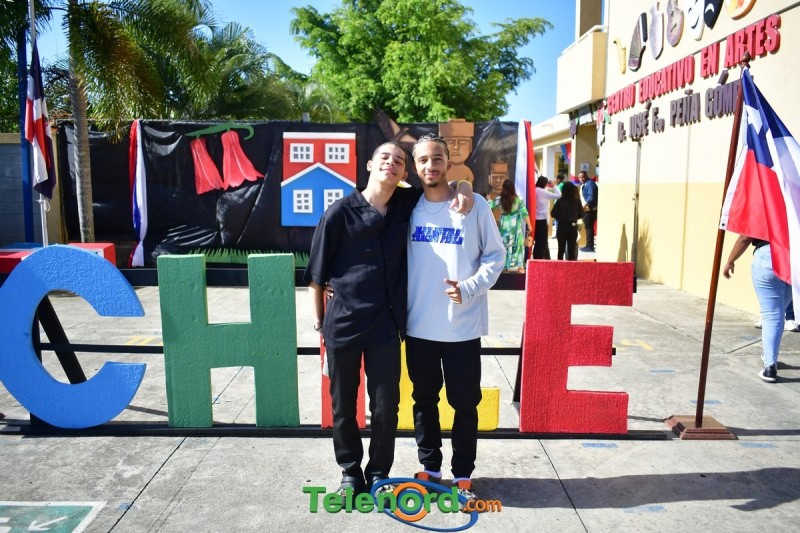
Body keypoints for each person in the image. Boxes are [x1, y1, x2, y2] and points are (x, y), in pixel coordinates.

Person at [304, 141, 473, 496]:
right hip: (343, 326)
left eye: (399, 161)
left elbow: (441, 185)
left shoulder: (405, 204)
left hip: (385, 327)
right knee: (343, 407)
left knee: (385, 407)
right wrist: (321, 327)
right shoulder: (338, 213)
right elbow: (315, 279)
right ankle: (350, 473)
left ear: (404, 173)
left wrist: (465, 187)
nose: (391, 164)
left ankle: (379, 473)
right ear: (369, 164)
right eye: (385, 158)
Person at [405, 133, 505, 505]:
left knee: (464, 404)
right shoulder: (406, 206)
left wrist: (470, 287)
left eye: (437, 159)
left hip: (462, 328)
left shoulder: (474, 205)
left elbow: (496, 256)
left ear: (449, 163)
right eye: (423, 160)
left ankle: (463, 474)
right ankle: (430, 468)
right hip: (418, 327)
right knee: (424, 400)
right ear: (415, 166)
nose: (430, 166)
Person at [723, 235, 792, 382]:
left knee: (772, 315)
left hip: (768, 255)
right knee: (778, 314)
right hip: (794, 257)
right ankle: (769, 355)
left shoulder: (766, 217)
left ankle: (770, 367)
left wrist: (730, 260)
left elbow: (745, 237)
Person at [488, 179, 532, 272]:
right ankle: (520, 267)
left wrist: (489, 199)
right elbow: (525, 214)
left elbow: (490, 206)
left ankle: (505, 267)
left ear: (503, 188)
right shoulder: (518, 200)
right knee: (518, 246)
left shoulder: (499, 199)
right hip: (515, 228)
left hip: (504, 227)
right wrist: (529, 225)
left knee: (504, 247)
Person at [550, 181, 583, 260]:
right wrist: (575, 217)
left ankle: (560, 264)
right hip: (572, 227)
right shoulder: (577, 201)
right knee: (571, 250)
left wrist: (559, 217)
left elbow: (553, 213)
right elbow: (582, 214)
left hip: (561, 226)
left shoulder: (560, 201)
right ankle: (571, 265)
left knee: (561, 249)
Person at [532, 176, 561, 259]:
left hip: (533, 219)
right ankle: (539, 258)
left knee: (537, 241)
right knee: (542, 242)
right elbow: (559, 195)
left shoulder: (534, 190)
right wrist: (553, 186)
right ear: (545, 184)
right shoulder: (543, 192)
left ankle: (536, 257)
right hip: (542, 219)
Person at [578, 171, 598, 252]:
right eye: (580, 177)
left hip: (589, 210)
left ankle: (590, 246)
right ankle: (588, 245)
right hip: (586, 209)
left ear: (586, 176)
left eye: (583, 177)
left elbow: (591, 197)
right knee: (588, 228)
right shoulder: (584, 184)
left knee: (589, 228)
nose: (581, 179)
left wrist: (584, 206)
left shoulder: (590, 184)